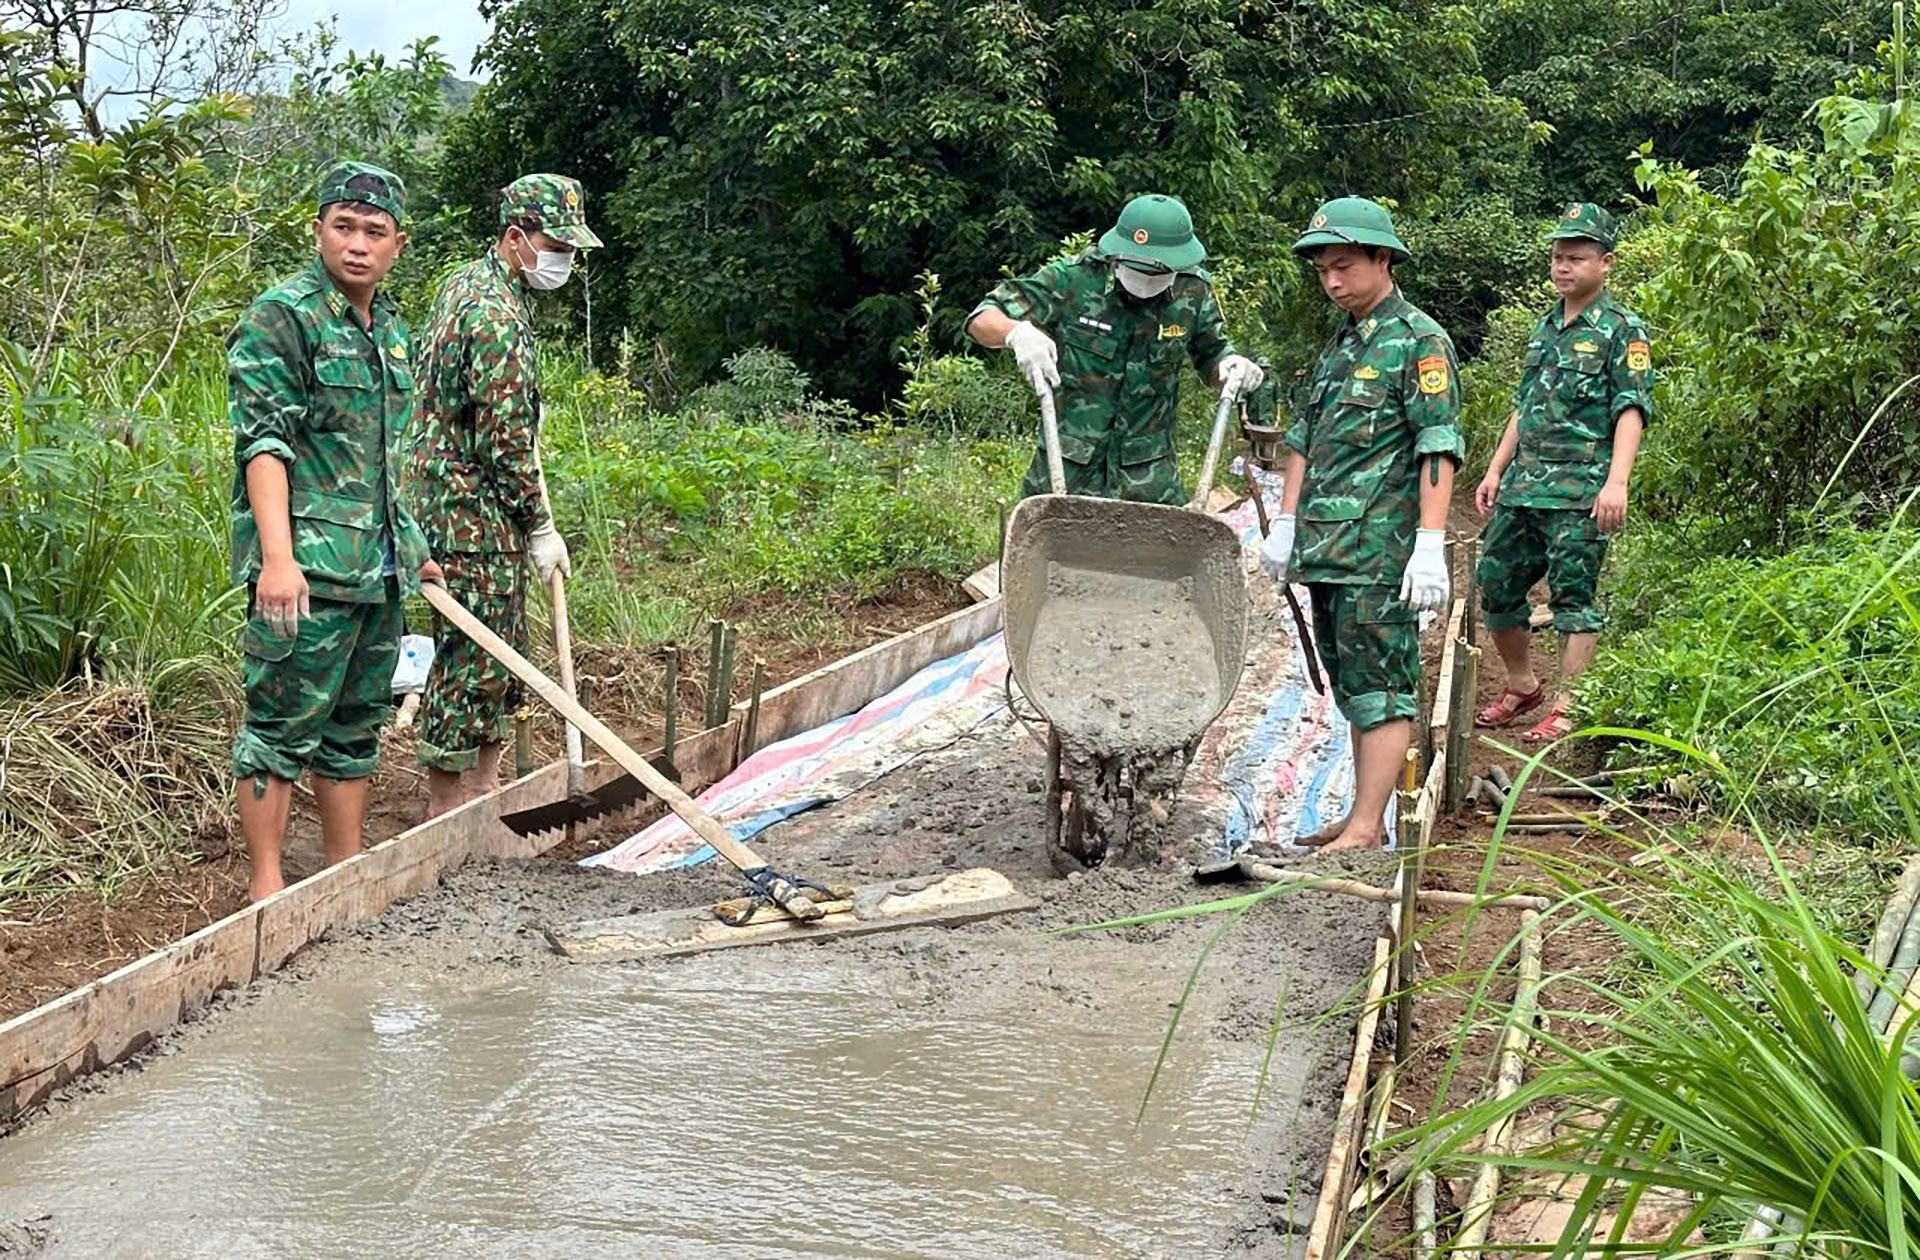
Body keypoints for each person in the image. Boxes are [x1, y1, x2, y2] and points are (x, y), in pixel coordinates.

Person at [227, 161, 441, 901]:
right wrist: (278, 561)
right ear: (317, 231)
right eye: (343, 228)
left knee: (355, 729)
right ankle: (265, 890)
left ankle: (344, 879)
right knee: (280, 730)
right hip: (308, 569)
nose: (357, 245)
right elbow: (264, 444)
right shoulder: (283, 316)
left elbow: (382, 460)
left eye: (374, 233)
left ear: (398, 245)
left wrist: (413, 553)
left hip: (374, 570)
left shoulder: (392, 334)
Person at [1259, 197, 1463, 851]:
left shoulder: (1419, 343)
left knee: (1381, 685)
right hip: (1328, 547)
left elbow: (1437, 443)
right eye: (1322, 271)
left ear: (1383, 258)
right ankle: (1356, 818)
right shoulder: (1341, 347)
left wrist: (1428, 543)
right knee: (1353, 686)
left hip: (1379, 550)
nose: (1332, 282)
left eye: (1343, 266)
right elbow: (1303, 440)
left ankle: (1370, 826)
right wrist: (1286, 523)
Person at [412, 174, 603, 818]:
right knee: (477, 659)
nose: (565, 262)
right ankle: (452, 815)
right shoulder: (494, 317)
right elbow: (506, 443)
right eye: (556, 245)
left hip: (448, 495)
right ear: (516, 238)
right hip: (470, 511)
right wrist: (540, 525)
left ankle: (483, 797)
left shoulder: (466, 283)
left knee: (493, 652)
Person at [1473, 203, 1652, 742]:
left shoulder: (1622, 330)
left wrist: (1616, 481)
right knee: (1496, 585)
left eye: (1576, 257)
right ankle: (1522, 684)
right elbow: (1525, 407)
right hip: (1525, 486)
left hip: (1581, 490)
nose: (1563, 267)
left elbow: (1631, 409)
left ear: (1606, 263)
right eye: (1557, 257)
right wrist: (1495, 469)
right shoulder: (1546, 327)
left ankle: (1569, 706)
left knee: (1573, 598)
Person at [964, 194, 1264, 502]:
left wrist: (1231, 366)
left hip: (1149, 481)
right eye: (1136, 267)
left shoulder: (1193, 291)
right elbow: (981, 319)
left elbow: (1212, 356)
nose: (1146, 280)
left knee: (1159, 551)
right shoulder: (1072, 280)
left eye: (1157, 272)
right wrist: (1016, 333)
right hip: (1066, 473)